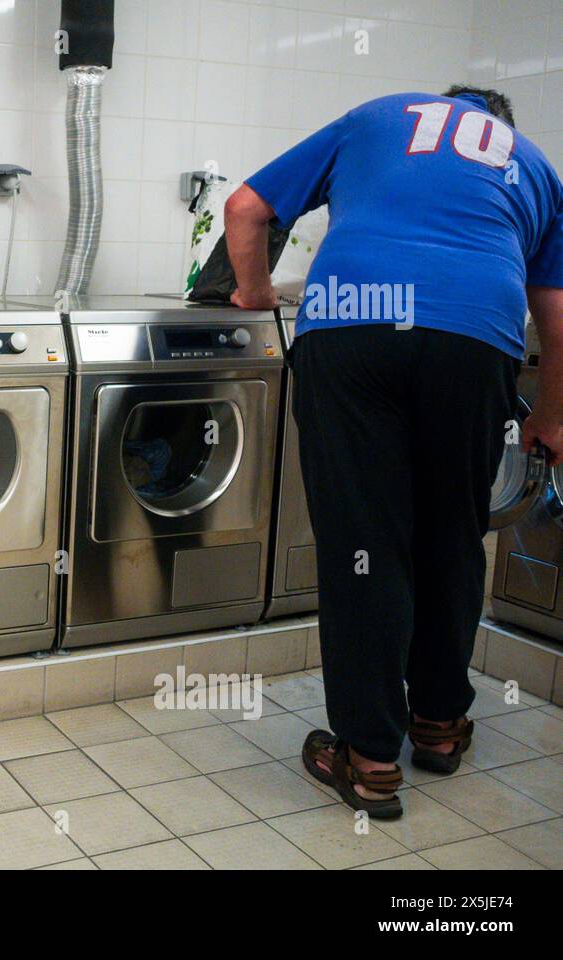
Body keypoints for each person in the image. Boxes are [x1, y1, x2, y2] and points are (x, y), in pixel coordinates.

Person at [224, 87, 563, 819]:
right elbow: (557, 312)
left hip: (354, 326)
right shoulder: (532, 164)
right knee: (452, 535)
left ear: (442, 107)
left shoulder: (379, 117)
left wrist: (252, 293)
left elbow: (247, 208)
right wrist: (554, 418)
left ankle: (371, 760)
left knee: (364, 546)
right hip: (475, 341)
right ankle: (440, 726)